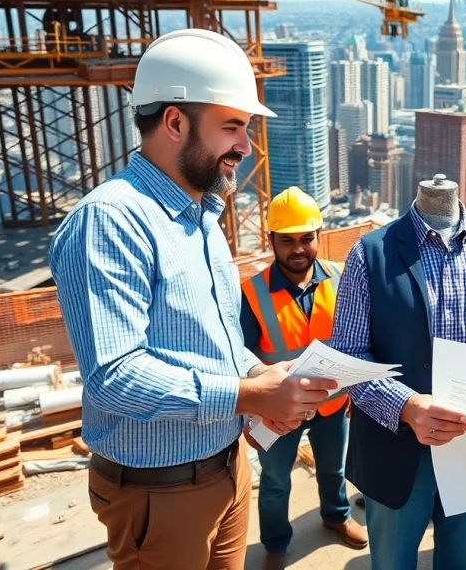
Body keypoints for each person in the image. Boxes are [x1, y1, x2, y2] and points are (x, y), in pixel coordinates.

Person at [49, 29, 336, 570]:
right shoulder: (109, 223)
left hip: (227, 467)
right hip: (161, 491)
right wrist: (247, 397)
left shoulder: (201, 216)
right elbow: (114, 375)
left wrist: (265, 379)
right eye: (232, 127)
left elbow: (218, 337)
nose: (245, 147)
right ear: (175, 122)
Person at [332, 175, 466, 570]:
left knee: (458, 560)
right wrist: (406, 406)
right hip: (396, 446)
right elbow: (349, 355)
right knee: (393, 561)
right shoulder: (370, 254)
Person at [239, 187, 368, 570]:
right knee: (276, 481)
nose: (298, 248)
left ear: (318, 236)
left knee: (334, 468)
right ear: (272, 241)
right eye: (287, 240)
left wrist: (356, 394)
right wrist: (248, 412)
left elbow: (356, 341)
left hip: (331, 403)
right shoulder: (252, 293)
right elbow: (241, 356)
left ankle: (336, 515)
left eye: (306, 238)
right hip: (277, 411)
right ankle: (276, 542)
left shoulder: (343, 278)